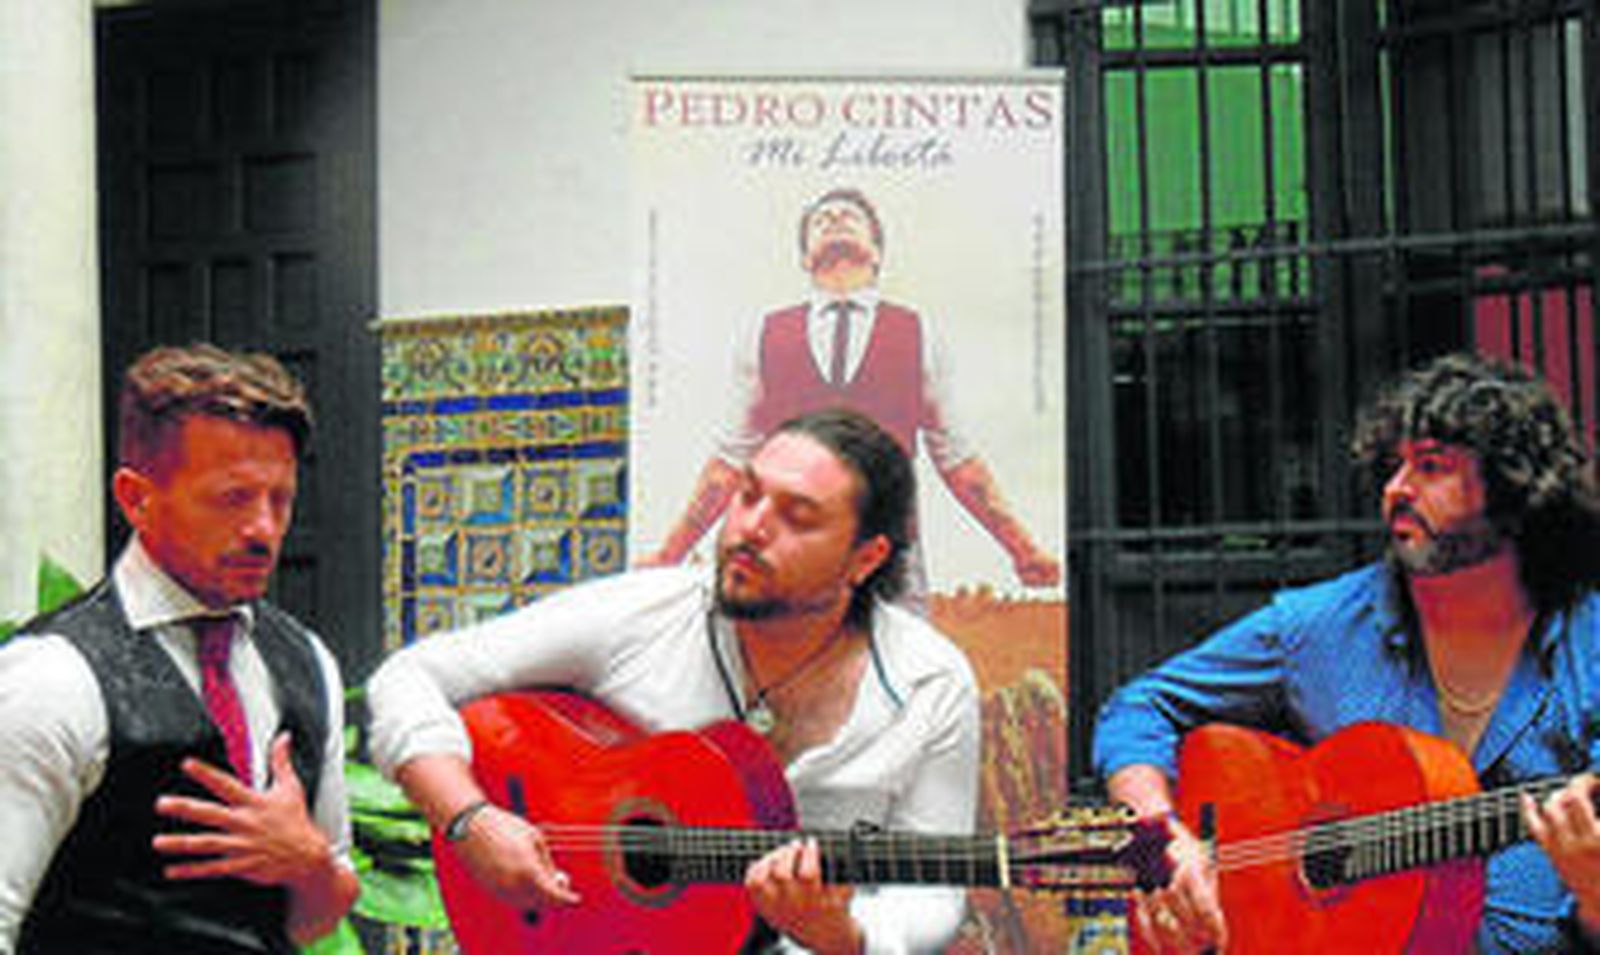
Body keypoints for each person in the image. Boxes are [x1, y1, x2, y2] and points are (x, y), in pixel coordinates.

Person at [368, 408, 981, 954]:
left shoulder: (931, 684)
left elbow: (934, 895)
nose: (750, 528)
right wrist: (468, 819)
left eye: (797, 516)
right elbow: (410, 675)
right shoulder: (643, 614)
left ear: (865, 558)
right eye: (747, 495)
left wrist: (849, 939)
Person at [1093, 351, 1600, 953]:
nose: (1396, 490)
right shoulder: (1322, 625)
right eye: (1392, 467)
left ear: (1515, 487)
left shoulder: (1587, 643)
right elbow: (1139, 707)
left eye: (1430, 467)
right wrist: (1164, 839)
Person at [0, 344, 358, 952]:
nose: (265, 530)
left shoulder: (307, 663)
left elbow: (309, 921)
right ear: (136, 497)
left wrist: (309, 865)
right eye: (233, 498)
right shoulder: (53, 678)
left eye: (281, 499)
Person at [642, 186, 1060, 590]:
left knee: (899, 660)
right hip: (788, 545)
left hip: (888, 549)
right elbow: (730, 462)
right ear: (806, 257)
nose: (836, 218)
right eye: (822, 219)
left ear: (877, 253)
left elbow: (956, 459)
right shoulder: (764, 335)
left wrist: (1023, 550)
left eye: (851, 216)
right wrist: (670, 554)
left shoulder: (919, 334)